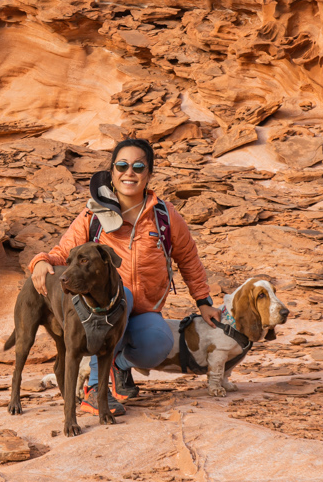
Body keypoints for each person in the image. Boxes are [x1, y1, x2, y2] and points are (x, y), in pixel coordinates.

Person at [27, 137, 220, 417]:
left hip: (143, 309)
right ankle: (95, 389)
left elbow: (188, 258)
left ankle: (118, 364)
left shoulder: (165, 216)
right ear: (113, 173)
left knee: (158, 344)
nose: (130, 172)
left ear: (149, 174)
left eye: (139, 166)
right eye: (122, 165)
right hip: (104, 306)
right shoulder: (94, 214)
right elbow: (64, 251)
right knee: (123, 295)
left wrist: (203, 300)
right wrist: (41, 261)